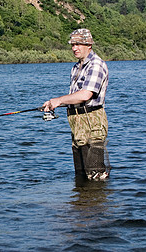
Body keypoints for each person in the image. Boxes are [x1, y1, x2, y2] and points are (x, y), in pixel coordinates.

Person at [42, 29, 110, 180]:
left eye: (78, 44)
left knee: (95, 176)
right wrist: (53, 104)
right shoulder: (76, 67)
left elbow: (86, 94)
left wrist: (59, 100)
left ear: (89, 45)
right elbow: (74, 97)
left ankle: (96, 203)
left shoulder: (96, 65)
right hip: (77, 124)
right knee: (80, 176)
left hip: (92, 123)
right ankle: (81, 202)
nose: (74, 48)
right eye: (73, 44)